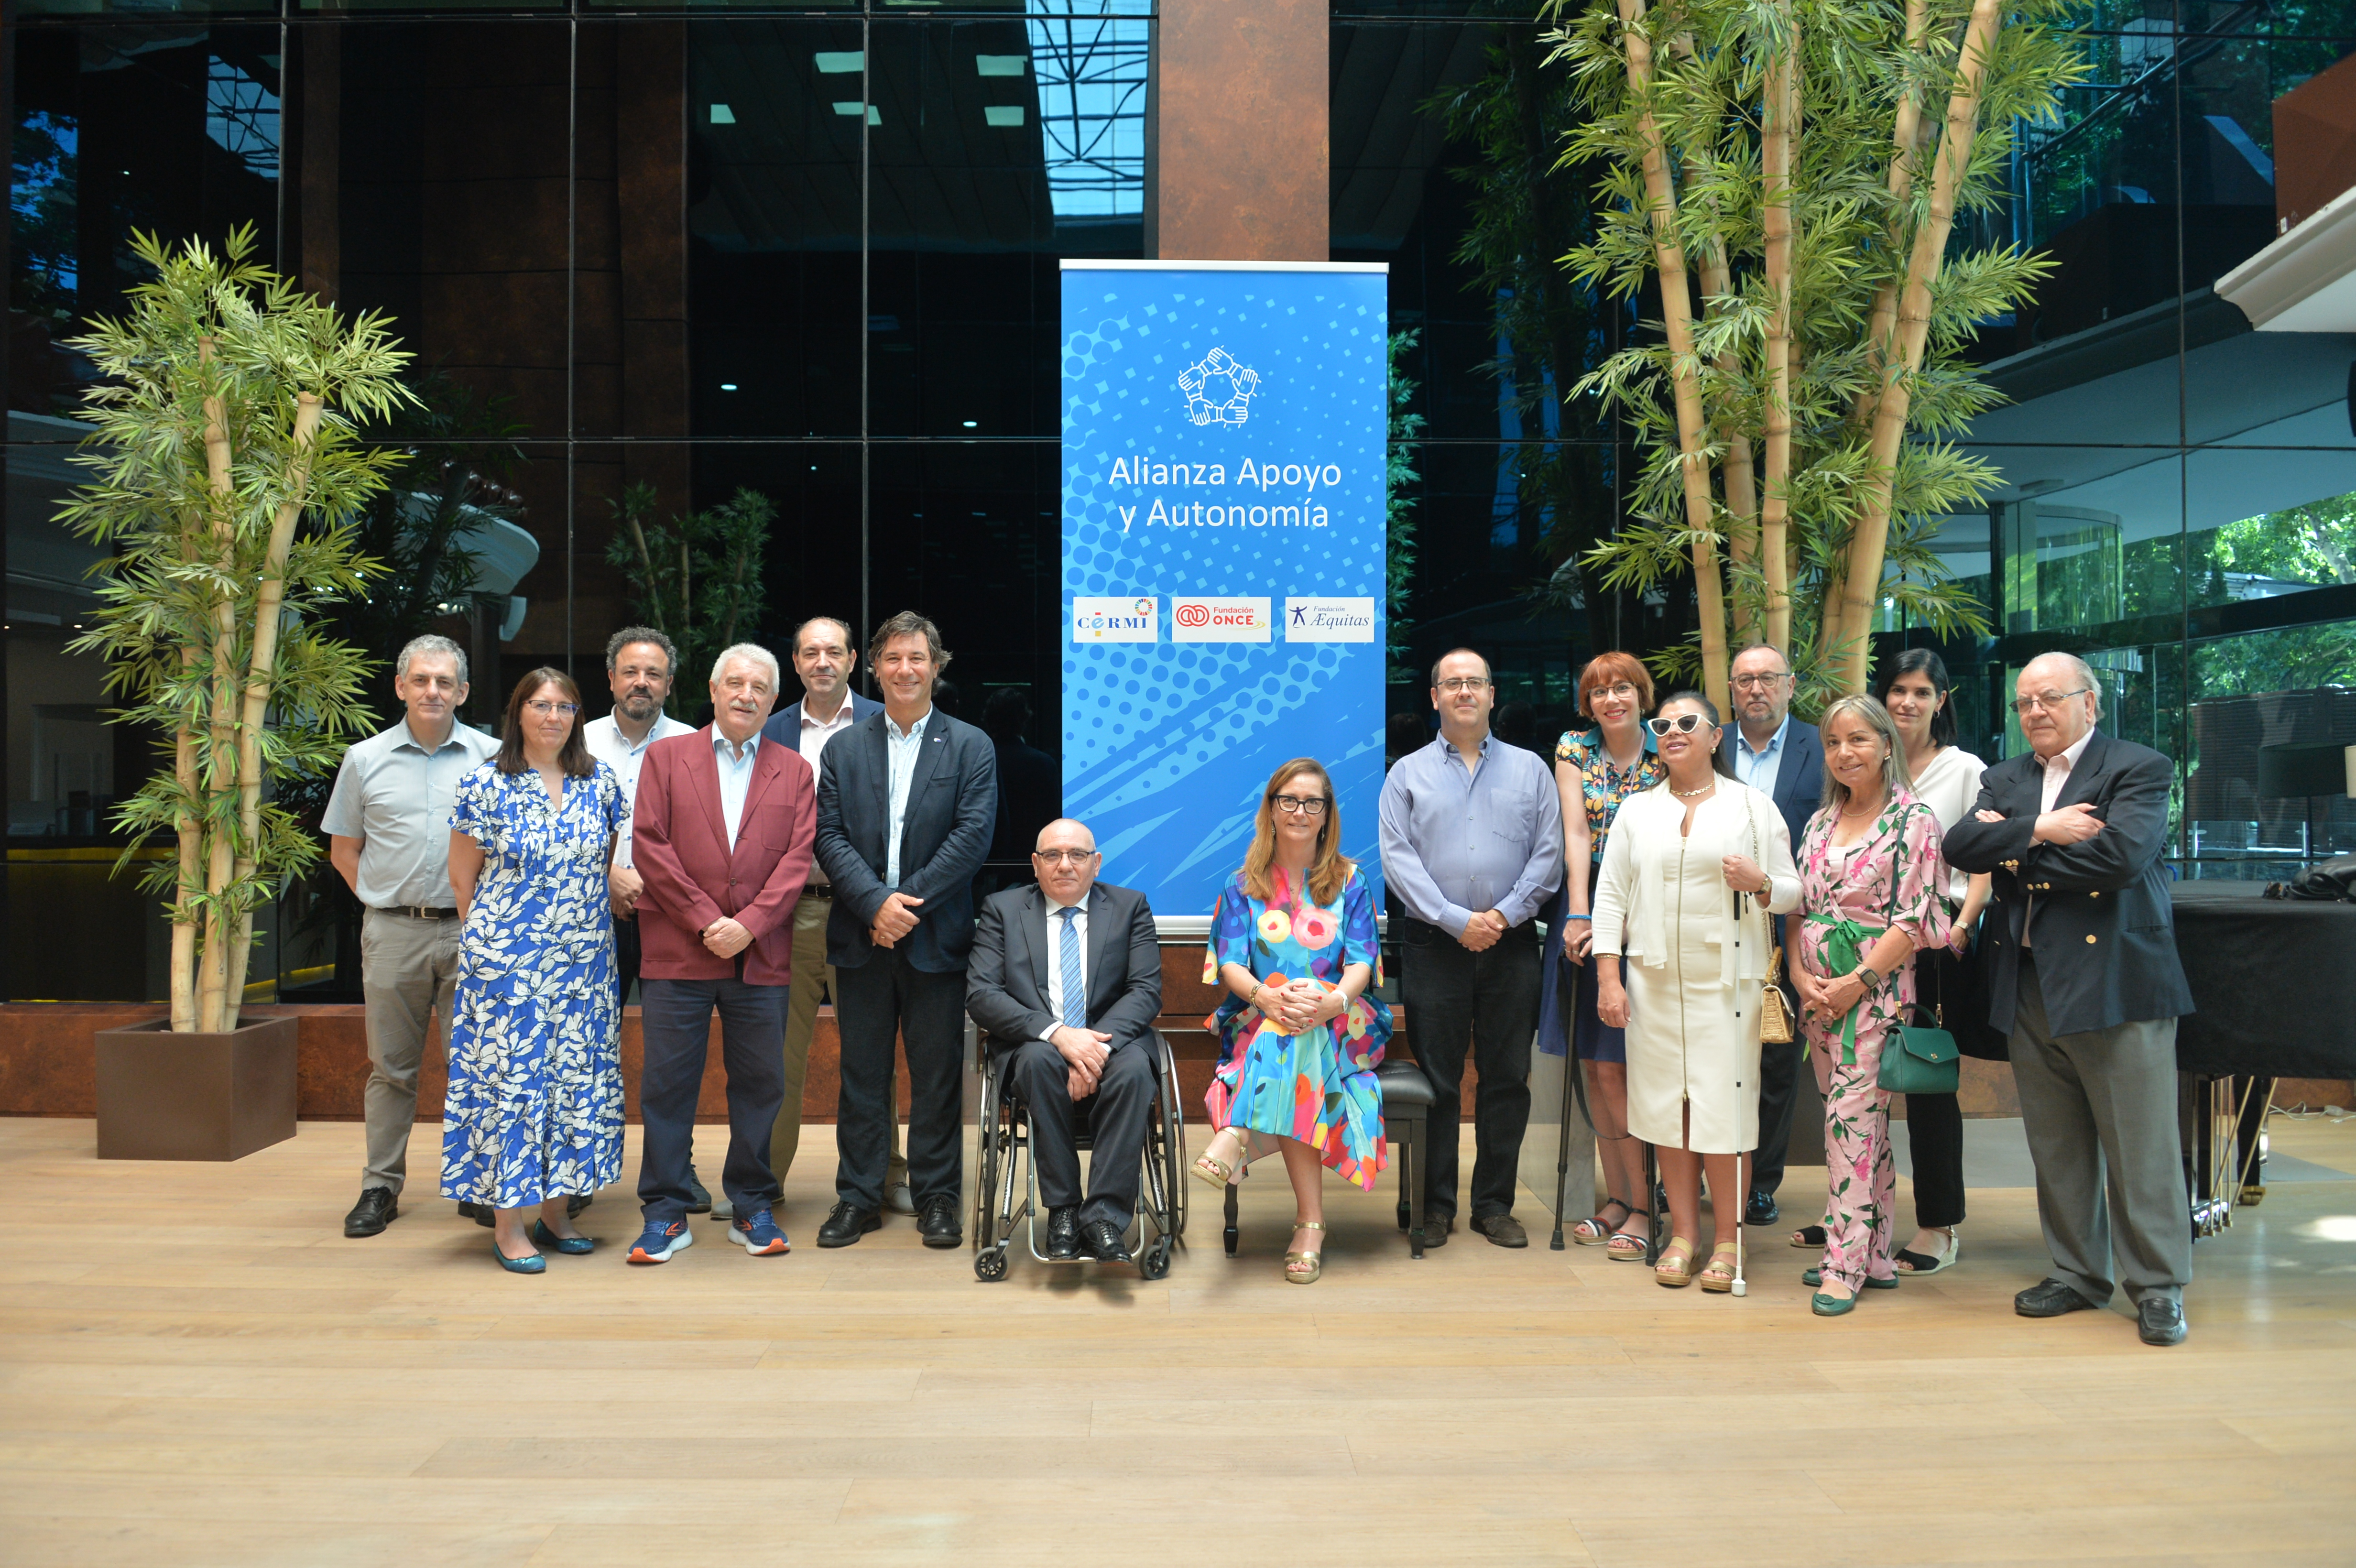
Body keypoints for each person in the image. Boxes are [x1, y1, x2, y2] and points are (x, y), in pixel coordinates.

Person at [1943, 653, 2195, 1347]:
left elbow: (2121, 859)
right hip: (2028, 984)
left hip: (2117, 983)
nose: (2036, 713)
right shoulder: (2006, 776)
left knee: (2140, 1147)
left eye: (2051, 698)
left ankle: (2159, 1287)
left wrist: (2017, 852)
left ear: (2092, 702)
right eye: (2025, 702)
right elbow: (1963, 845)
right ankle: (2080, 1274)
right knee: (2057, 1146)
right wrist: (2044, 831)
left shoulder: (2137, 767)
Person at [1593, 693, 1799, 1293]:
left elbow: (1793, 889)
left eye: (1688, 723)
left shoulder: (1752, 808)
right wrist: (1610, 976)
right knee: (1667, 1111)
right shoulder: (1636, 811)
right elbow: (1610, 899)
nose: (1673, 731)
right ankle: (1683, 1233)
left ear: (1716, 738)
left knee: (1722, 1111)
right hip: (1652, 983)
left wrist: (1761, 883)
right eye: (1663, 724)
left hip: (1726, 987)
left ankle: (1728, 1241)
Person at [812, 611, 999, 1250]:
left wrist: (904, 906)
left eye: (917, 658)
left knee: (937, 1074)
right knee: (861, 1075)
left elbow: (972, 839)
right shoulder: (842, 748)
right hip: (861, 938)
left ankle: (938, 1196)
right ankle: (858, 1197)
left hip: (936, 938)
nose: (905, 670)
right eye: (892, 658)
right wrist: (874, 907)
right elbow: (829, 837)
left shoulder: (971, 745)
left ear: (936, 667)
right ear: (875, 667)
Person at [626, 643, 817, 1264]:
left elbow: (797, 861)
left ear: (772, 700)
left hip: (760, 958)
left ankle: (753, 1205)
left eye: (760, 687)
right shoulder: (666, 757)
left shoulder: (795, 771)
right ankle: (665, 1210)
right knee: (667, 1085)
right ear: (711, 690)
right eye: (735, 683)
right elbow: (650, 845)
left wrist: (751, 925)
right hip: (678, 950)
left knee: (761, 1085)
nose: (746, 695)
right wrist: (708, 919)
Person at [440, 670, 628, 1273]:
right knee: (513, 1086)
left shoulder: (600, 780)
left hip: (584, 963)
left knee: (572, 1082)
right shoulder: (484, 784)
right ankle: (507, 1224)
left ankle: (556, 1213)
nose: (553, 716)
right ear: (518, 711)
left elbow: (603, 862)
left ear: (577, 714)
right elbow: (461, 878)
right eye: (540, 705)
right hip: (507, 965)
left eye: (565, 706)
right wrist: (494, 946)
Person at [1377, 647, 1562, 1248]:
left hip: (1510, 946)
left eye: (1474, 683)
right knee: (1438, 1077)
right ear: (1433, 697)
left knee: (1507, 1075)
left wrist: (1503, 916)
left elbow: (1548, 853)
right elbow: (1398, 861)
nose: (1463, 692)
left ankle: (1493, 1204)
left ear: (1489, 693)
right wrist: (1457, 920)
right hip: (1434, 944)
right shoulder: (1404, 775)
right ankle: (1433, 1207)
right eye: (1451, 684)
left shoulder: (1532, 770)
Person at [324, 634, 501, 1238]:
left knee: (476, 1067)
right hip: (394, 933)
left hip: (473, 935)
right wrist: (383, 902)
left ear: (463, 692)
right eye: (421, 680)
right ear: (400, 686)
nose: (433, 691)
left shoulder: (493, 757)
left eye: (445, 682)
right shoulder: (364, 759)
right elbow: (344, 851)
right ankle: (380, 1186)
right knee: (391, 1068)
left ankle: (480, 1188)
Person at [1190, 759, 1392, 1284]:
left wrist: (1330, 1001)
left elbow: (1361, 963)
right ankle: (1310, 1224)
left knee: (1300, 1011)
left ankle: (1237, 1135)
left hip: (1343, 1023)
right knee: (1289, 1026)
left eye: (1312, 802)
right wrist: (1264, 996)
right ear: (1271, 810)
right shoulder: (1242, 885)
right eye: (1289, 800)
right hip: (1260, 1019)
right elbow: (1230, 962)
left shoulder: (1350, 880)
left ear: (1327, 815)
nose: (1300, 811)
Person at [1789, 696, 1951, 1315]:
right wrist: (1805, 977)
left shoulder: (1915, 820)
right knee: (1863, 1130)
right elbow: (1801, 906)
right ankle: (1877, 1254)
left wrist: (1854, 982)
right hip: (1819, 999)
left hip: (1874, 998)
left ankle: (1844, 1263)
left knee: (1848, 1130)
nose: (1844, 752)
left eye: (1858, 739)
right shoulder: (1821, 822)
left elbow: (1911, 923)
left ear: (1887, 745)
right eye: (1833, 742)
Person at [964, 818, 1164, 1263]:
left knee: (1134, 1071)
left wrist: (1092, 1051)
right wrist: (1060, 1036)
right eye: (1052, 855)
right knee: (1038, 1061)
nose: (1065, 865)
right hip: (1034, 1045)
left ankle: (1106, 1217)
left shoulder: (1131, 907)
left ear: (1096, 863)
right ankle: (1064, 1210)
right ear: (1035, 865)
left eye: (1077, 855)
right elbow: (982, 995)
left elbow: (1145, 991)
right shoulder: (1002, 909)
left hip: (1114, 1043)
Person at [756, 617, 904, 1212]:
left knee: (869, 1052)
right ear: (794, 663)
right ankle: (762, 1180)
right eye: (810, 652)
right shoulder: (766, 732)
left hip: (861, 910)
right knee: (776, 1054)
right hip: (785, 914)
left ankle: (886, 1173)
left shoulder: (884, 721)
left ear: (852, 662)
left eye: (833, 652)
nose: (822, 661)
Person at [579, 626, 710, 1216]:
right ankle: (574, 1175)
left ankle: (674, 1170)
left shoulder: (693, 743)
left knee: (671, 1055)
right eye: (630, 671)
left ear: (669, 684)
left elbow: (705, 839)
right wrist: (607, 874)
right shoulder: (573, 744)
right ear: (610, 678)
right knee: (583, 1045)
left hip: (669, 919)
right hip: (586, 916)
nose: (641, 682)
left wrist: (654, 884)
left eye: (653, 674)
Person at [1871, 648, 1993, 1275]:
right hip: (1862, 944)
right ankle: (1860, 1217)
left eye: (1922, 692)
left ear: (1942, 701)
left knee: (1926, 1089)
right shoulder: (1869, 759)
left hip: (1934, 947)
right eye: (1897, 689)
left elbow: (1986, 858)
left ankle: (1938, 1226)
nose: (1907, 703)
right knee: (1856, 1086)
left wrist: (1965, 927)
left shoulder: (1964, 770)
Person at [1544, 652, 1666, 1260]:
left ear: (1641, 694)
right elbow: (1574, 834)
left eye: (1621, 688)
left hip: (1648, 912)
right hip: (1587, 905)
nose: (1610, 700)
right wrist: (1576, 910)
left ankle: (1647, 1204)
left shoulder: (1666, 742)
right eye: (1597, 691)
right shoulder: (1573, 748)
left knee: (1627, 1067)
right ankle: (1617, 1195)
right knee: (1594, 1064)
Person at [1717, 642, 1823, 1227]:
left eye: (1767, 678)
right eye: (1744, 680)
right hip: (1712, 928)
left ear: (1789, 685)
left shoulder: (1822, 746)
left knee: (1777, 1060)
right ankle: (1708, 1171)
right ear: (1731, 689)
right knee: (1713, 1055)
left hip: (1790, 925)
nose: (1755, 689)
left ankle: (1760, 1182)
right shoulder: (1708, 743)